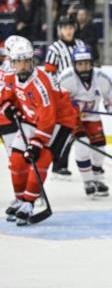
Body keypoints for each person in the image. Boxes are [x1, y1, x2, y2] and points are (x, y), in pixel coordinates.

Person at [1, 37, 77, 225]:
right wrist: (8, 107)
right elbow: (6, 98)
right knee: (17, 161)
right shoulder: (11, 76)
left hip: (60, 122)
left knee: (40, 159)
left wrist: (36, 144)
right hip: (33, 118)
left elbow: (48, 117)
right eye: (20, 61)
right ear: (12, 62)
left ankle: (29, 202)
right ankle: (19, 199)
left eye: (28, 61)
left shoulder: (40, 83)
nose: (24, 66)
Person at [59, 46, 112, 197]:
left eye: (87, 63)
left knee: (100, 148)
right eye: (80, 64)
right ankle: (88, 181)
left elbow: (110, 101)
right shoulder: (66, 79)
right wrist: (67, 105)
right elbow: (57, 102)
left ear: (92, 63)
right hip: (74, 119)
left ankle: (98, 178)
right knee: (83, 145)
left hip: (93, 118)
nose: (84, 67)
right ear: (74, 64)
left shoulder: (102, 78)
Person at [45, 15, 86, 178]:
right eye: (65, 28)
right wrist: (60, 92)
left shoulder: (81, 45)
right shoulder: (54, 49)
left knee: (78, 131)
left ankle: (85, 164)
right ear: (59, 30)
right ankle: (58, 164)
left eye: (71, 27)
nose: (68, 31)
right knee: (65, 131)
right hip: (63, 97)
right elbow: (49, 74)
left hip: (80, 95)